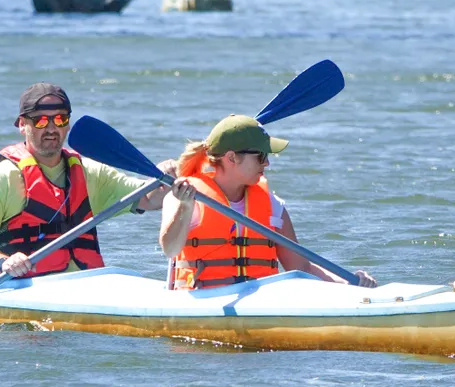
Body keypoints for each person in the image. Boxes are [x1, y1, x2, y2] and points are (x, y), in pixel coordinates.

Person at [0, 82, 174, 278]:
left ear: (68, 124)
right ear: (22, 125)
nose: (52, 128)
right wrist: (3, 262)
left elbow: (149, 199)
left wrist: (167, 182)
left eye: (60, 119)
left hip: (85, 282)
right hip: (24, 285)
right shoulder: (1, 178)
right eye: (41, 120)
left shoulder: (91, 172)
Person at [159, 114, 377, 289]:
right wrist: (185, 208)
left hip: (260, 303)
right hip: (203, 300)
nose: (268, 164)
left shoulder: (272, 205)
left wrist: (350, 285)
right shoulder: (184, 197)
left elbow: (302, 267)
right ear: (232, 158)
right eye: (261, 156)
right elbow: (170, 249)